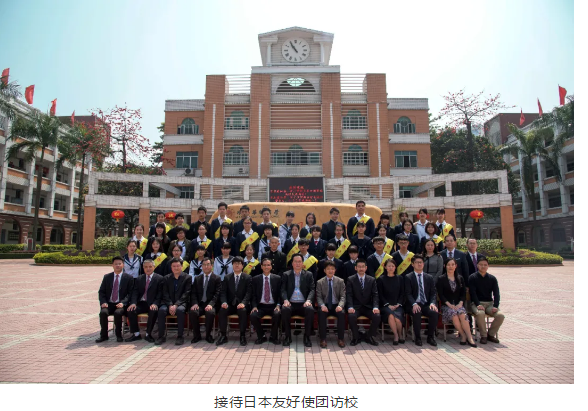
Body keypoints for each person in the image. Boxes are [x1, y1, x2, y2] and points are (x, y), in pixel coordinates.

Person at [437, 258, 476, 347]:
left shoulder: (460, 278)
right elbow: (441, 295)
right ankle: (463, 335)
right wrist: (449, 304)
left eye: (452, 264)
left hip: (459, 304)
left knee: (462, 314)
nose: (450, 267)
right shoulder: (441, 279)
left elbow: (463, 293)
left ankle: (469, 337)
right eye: (448, 265)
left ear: (456, 266)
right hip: (447, 306)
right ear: (445, 266)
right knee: (454, 315)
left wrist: (460, 303)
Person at [96, 256, 134, 343]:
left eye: (119, 264)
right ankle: (104, 335)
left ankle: (118, 335)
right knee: (103, 313)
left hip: (121, 304)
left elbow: (130, 293)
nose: (118, 265)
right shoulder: (107, 277)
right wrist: (103, 302)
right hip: (109, 303)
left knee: (118, 313)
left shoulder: (128, 278)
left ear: (123, 265)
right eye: (116, 264)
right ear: (112, 265)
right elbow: (101, 292)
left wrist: (123, 303)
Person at [125, 259, 165, 343]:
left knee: (153, 311)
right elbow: (135, 292)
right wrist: (133, 303)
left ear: (154, 267)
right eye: (146, 267)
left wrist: (155, 303)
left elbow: (160, 294)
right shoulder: (140, 278)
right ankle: (136, 334)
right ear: (143, 268)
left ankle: (148, 334)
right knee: (131, 310)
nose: (148, 269)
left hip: (152, 303)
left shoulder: (159, 278)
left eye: (150, 267)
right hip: (142, 303)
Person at [281, 254, 316, 347]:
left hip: (303, 304)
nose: (297, 263)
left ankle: (307, 336)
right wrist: (285, 300)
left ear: (302, 263)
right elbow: (283, 289)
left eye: (299, 261)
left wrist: (308, 300)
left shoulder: (308, 274)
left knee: (310, 309)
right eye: (295, 262)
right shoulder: (286, 275)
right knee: (284, 309)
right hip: (291, 303)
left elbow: (312, 289)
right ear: (292, 263)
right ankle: (287, 336)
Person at [468, 256, 504, 344]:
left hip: (489, 304)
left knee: (500, 315)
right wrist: (478, 304)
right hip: (476, 303)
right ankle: (483, 336)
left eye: (485, 265)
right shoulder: (472, 277)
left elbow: (496, 293)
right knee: (480, 313)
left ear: (488, 266)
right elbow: (473, 293)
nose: (483, 266)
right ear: (477, 265)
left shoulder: (492, 278)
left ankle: (491, 334)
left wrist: (495, 306)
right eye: (481, 265)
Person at [404, 254, 439, 346]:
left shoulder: (429, 277)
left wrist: (432, 303)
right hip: (414, 304)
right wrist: (414, 304)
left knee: (434, 312)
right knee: (417, 312)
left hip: (426, 304)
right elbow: (408, 293)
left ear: (423, 264)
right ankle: (418, 337)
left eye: (421, 262)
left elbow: (433, 293)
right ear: (412, 264)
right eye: (417, 262)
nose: (419, 264)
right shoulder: (408, 277)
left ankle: (430, 337)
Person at [156, 257, 191, 345]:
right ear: (171, 267)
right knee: (161, 310)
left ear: (182, 266)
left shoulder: (187, 278)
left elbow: (186, 294)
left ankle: (180, 336)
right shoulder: (166, 278)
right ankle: (161, 336)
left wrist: (176, 305)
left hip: (181, 303)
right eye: (174, 266)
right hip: (168, 303)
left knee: (180, 310)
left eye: (178, 266)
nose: (176, 268)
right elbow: (165, 293)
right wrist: (170, 304)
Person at [217, 257, 252, 346]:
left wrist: (243, 303)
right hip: (230, 304)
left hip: (241, 304)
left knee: (243, 311)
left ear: (242, 265)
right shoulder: (227, 277)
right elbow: (223, 292)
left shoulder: (247, 277)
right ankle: (223, 335)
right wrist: (224, 302)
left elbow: (249, 293)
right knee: (222, 310)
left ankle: (242, 336)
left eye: (239, 263)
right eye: (235, 263)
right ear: (232, 265)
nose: (237, 265)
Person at [346, 259, 380, 346]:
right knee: (351, 316)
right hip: (356, 307)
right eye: (359, 267)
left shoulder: (372, 280)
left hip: (368, 307)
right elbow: (349, 295)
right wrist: (350, 307)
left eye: (363, 267)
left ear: (366, 268)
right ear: (355, 268)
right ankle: (356, 337)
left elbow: (375, 294)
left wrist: (375, 307)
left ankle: (369, 336)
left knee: (377, 316)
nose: (361, 269)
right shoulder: (350, 279)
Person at [189, 258, 221, 344]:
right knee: (192, 312)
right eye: (204, 265)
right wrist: (195, 303)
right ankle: (197, 335)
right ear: (201, 266)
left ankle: (208, 335)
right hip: (200, 304)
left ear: (211, 266)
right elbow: (193, 293)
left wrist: (211, 304)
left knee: (210, 313)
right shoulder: (197, 278)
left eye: (208, 264)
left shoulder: (217, 278)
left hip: (211, 304)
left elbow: (217, 294)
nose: (206, 266)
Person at [250, 258, 282, 344]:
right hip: (261, 306)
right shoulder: (255, 279)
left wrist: (278, 305)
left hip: (273, 305)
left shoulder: (277, 278)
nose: (266, 267)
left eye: (268, 265)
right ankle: (261, 336)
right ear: (261, 266)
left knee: (277, 314)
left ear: (271, 266)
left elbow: (280, 294)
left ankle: (273, 337)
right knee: (253, 315)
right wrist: (254, 306)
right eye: (264, 265)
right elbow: (253, 295)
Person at [316, 261, 346, 348]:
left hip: (336, 305)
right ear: (324, 270)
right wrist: (322, 305)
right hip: (325, 305)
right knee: (321, 313)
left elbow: (343, 296)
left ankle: (341, 338)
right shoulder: (320, 282)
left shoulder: (340, 281)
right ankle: (323, 339)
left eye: (332, 269)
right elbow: (318, 297)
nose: (330, 271)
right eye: (328, 269)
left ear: (335, 270)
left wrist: (340, 305)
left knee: (341, 313)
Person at [377, 259, 405, 345]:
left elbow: (402, 293)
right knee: (391, 315)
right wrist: (388, 305)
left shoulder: (400, 278)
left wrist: (398, 304)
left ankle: (400, 334)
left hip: (397, 305)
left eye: (393, 266)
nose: (391, 268)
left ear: (395, 267)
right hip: (385, 306)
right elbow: (380, 294)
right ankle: (396, 335)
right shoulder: (381, 279)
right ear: (385, 267)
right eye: (389, 266)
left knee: (398, 318)